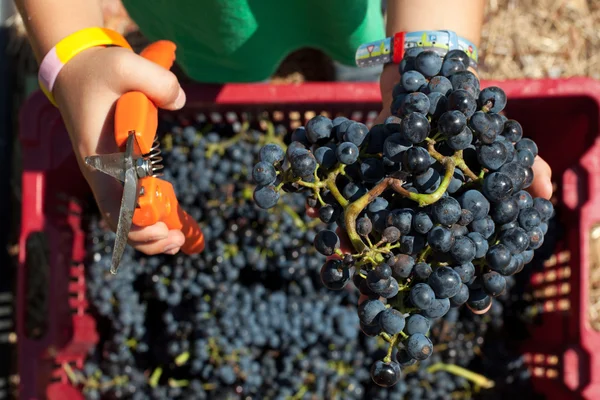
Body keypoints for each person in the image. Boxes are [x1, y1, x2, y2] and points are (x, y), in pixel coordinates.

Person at [15, 0, 552, 258]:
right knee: (223, 61)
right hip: (200, 19)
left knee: (359, 49)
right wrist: (73, 54)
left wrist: (422, 69)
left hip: (366, 15)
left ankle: (364, 61)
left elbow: (425, 61)